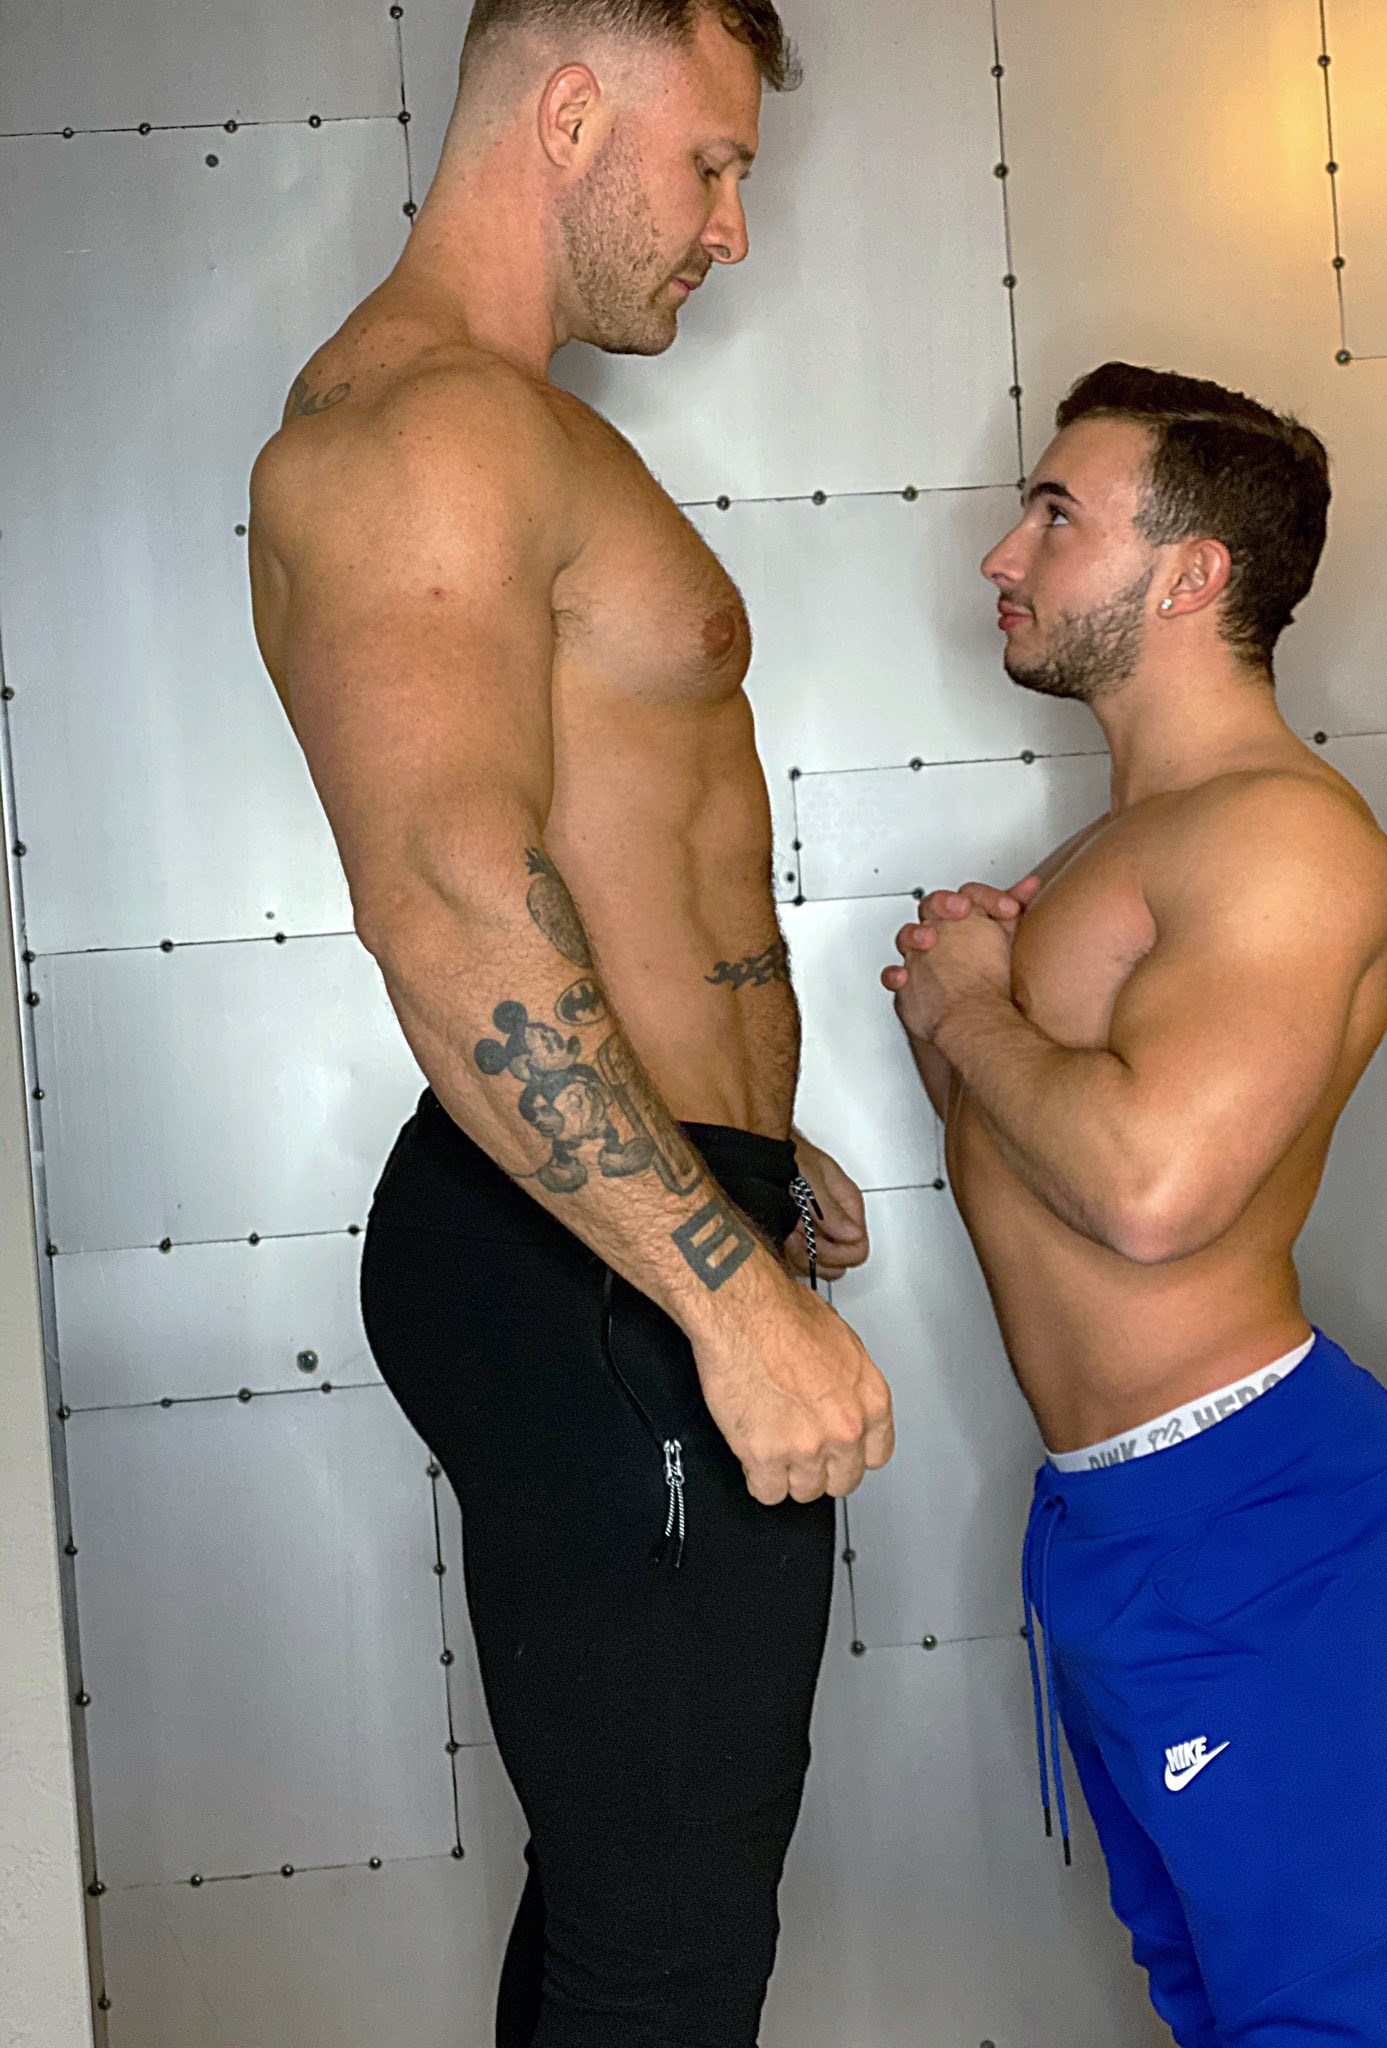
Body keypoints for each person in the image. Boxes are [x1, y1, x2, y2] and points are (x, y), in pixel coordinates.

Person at [245, 4, 894, 2042]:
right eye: (712, 165)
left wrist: (748, 1138)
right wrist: (728, 1288)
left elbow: (592, 850)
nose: (731, 230)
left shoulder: (493, 425)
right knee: (672, 1942)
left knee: (635, 1903)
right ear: (572, 108)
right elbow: (448, 894)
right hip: (610, 1276)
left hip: (629, 1229)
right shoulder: (426, 429)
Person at [884, 363, 1387, 2047]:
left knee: (1310, 2024)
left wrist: (976, 1012)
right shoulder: (1115, 851)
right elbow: (1037, 1178)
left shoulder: (1282, 843)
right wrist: (955, 1028)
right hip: (1116, 1511)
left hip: (1246, 1508)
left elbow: (1149, 1195)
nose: (1003, 554)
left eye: (1058, 516)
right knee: (1206, 2001)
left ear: (1194, 576)